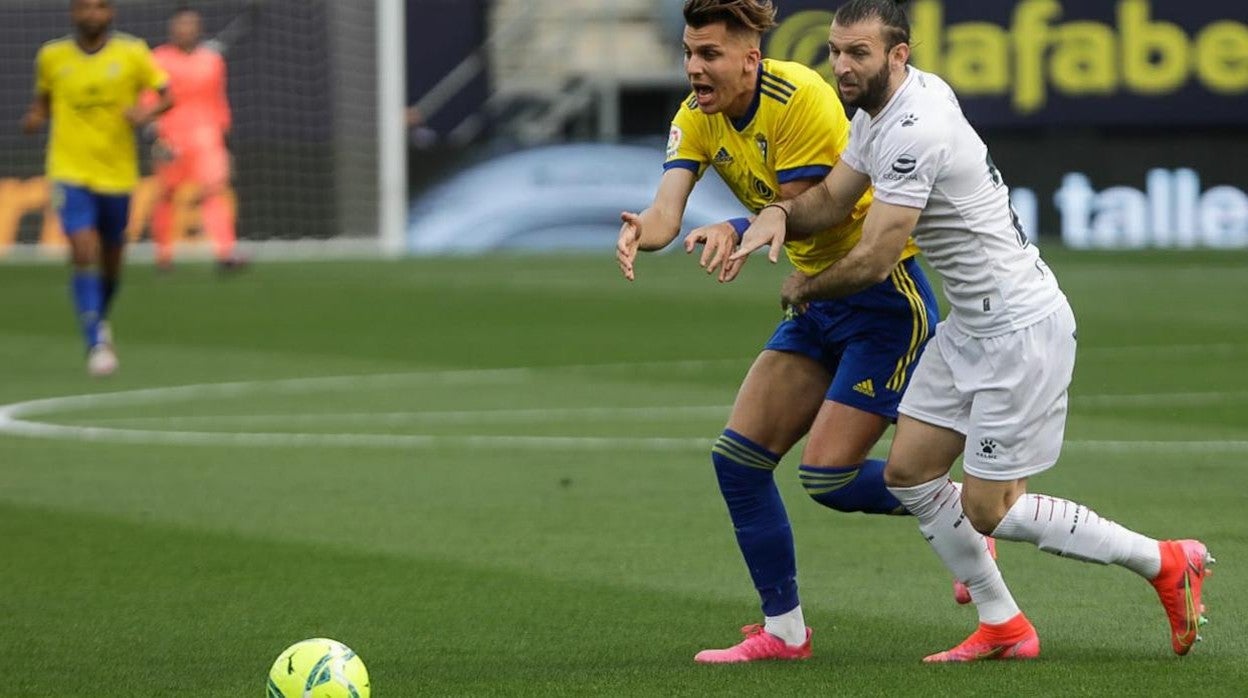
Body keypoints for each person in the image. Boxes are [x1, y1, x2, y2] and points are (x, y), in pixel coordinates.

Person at [732, 0, 1213, 662]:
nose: (841, 65)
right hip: (970, 327)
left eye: (858, 53)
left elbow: (876, 256)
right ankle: (1004, 626)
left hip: (1021, 329)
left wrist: (804, 286)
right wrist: (779, 214)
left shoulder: (916, 126)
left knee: (990, 510)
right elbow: (835, 197)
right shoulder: (882, 111)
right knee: (909, 474)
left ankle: (1164, 561)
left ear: (898, 54)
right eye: (836, 51)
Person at [616, 0, 945, 664]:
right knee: (738, 462)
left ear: (750, 58)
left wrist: (737, 228)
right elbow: (665, 213)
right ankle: (785, 632)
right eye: (687, 52)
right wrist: (640, 233)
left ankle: (965, 515)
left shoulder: (797, 96)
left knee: (828, 478)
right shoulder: (696, 116)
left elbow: (811, 211)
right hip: (815, 302)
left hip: (881, 295)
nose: (693, 69)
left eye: (708, 55)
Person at [23, 0, 171, 377]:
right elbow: (44, 101)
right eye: (85, 7)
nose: (92, 14)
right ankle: (96, 342)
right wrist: (37, 116)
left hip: (118, 174)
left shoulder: (133, 52)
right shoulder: (52, 56)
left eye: (100, 7)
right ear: (73, 12)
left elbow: (168, 95)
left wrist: (146, 113)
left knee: (112, 259)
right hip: (69, 170)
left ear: (111, 14)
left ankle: (97, 317)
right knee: (83, 247)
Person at [149, 5, 245, 271]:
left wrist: (225, 141)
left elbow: (219, 101)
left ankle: (226, 252)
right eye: (181, 24)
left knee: (214, 192)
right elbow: (149, 100)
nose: (186, 30)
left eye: (191, 24)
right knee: (167, 195)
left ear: (199, 28)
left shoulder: (212, 60)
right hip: (171, 138)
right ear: (172, 28)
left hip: (207, 137)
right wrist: (156, 136)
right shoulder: (158, 59)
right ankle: (164, 256)